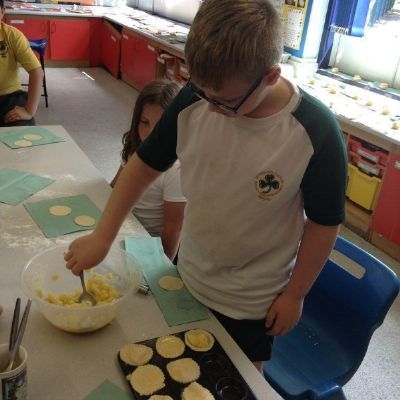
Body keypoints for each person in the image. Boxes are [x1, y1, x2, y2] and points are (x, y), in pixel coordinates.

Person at [65, 0, 347, 371]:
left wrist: (295, 294)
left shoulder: (315, 131)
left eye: (226, 101)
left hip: (252, 301)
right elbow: (142, 166)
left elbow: (324, 224)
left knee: (239, 380)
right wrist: (103, 236)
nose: (212, 108)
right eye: (203, 92)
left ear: (271, 77)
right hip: (189, 275)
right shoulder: (194, 100)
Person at [110, 79, 186, 261]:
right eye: (144, 122)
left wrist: (161, 267)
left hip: (150, 244)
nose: (151, 134)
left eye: (160, 127)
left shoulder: (176, 169)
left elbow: (173, 229)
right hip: (126, 228)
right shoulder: (136, 148)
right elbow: (114, 188)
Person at [0, 0, 44, 127]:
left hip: (9, 96)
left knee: (22, 129)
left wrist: (29, 111)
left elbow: (36, 71)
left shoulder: (12, 35)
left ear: (2, 12)